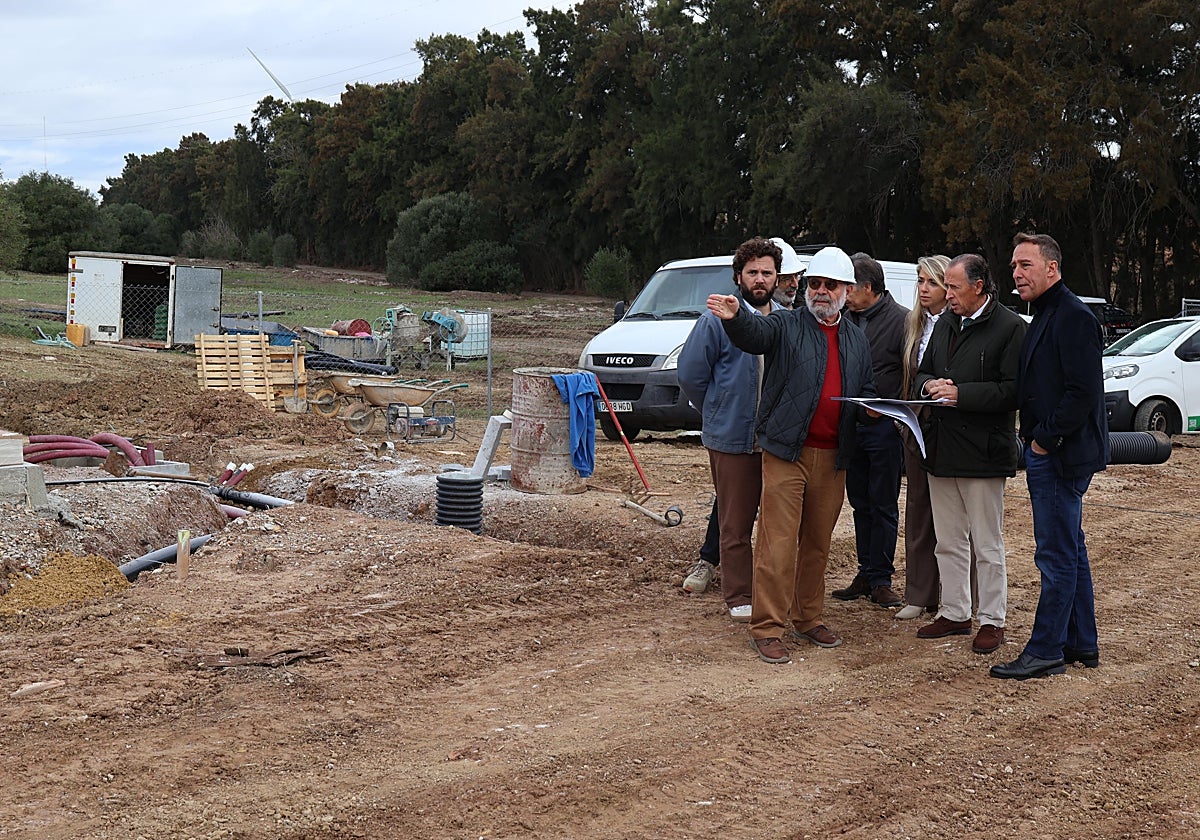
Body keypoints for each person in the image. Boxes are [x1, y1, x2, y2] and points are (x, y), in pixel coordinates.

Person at [706, 246, 876, 664]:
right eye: (814, 283)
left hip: (833, 456)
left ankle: (808, 617)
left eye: (829, 285)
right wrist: (737, 318)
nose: (820, 291)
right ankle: (766, 627)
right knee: (776, 544)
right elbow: (756, 336)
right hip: (787, 453)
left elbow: (865, 388)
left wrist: (873, 408)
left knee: (817, 544)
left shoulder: (857, 338)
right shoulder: (786, 323)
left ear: (846, 290)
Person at [991, 233, 1109, 680]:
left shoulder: (1073, 317)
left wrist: (1043, 441)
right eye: (1014, 266)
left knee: (1055, 555)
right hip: (1054, 453)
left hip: (1061, 457)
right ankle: (1082, 642)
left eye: (1025, 265)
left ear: (1052, 269)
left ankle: (1045, 650)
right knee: (1071, 549)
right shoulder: (1047, 313)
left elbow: (1082, 393)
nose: (1016, 273)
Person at [913, 253, 1026, 655]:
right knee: (947, 540)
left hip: (983, 453)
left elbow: (1014, 390)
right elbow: (922, 371)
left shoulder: (1010, 327)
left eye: (954, 288)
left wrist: (962, 394)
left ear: (979, 287)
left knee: (987, 543)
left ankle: (993, 619)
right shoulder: (946, 322)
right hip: (941, 450)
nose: (948, 295)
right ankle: (955, 611)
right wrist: (930, 386)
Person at [681, 236, 801, 595]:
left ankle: (771, 593)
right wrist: (718, 411)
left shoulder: (789, 323)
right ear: (738, 277)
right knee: (733, 525)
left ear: (777, 277)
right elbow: (690, 376)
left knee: (777, 525)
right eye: (753, 272)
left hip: (776, 443)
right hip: (732, 439)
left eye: (767, 272)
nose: (760, 279)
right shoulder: (715, 321)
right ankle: (739, 596)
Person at [832, 252, 910, 608]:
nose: (843, 293)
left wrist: (893, 415)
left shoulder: (902, 322)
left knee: (883, 505)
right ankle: (864, 572)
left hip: (884, 430)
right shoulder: (843, 319)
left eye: (849, 286)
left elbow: (911, 374)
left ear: (867, 287)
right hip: (850, 428)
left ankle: (881, 578)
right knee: (859, 503)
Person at [895, 255, 951, 620]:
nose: (924, 289)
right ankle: (918, 593)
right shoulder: (914, 325)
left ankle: (955, 595)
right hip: (916, 429)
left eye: (931, 282)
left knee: (951, 517)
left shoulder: (958, 325)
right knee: (917, 510)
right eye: (920, 281)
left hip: (950, 432)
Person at [771, 237, 803, 309]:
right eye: (787, 278)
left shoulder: (805, 309)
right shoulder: (755, 313)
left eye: (797, 276)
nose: (795, 285)